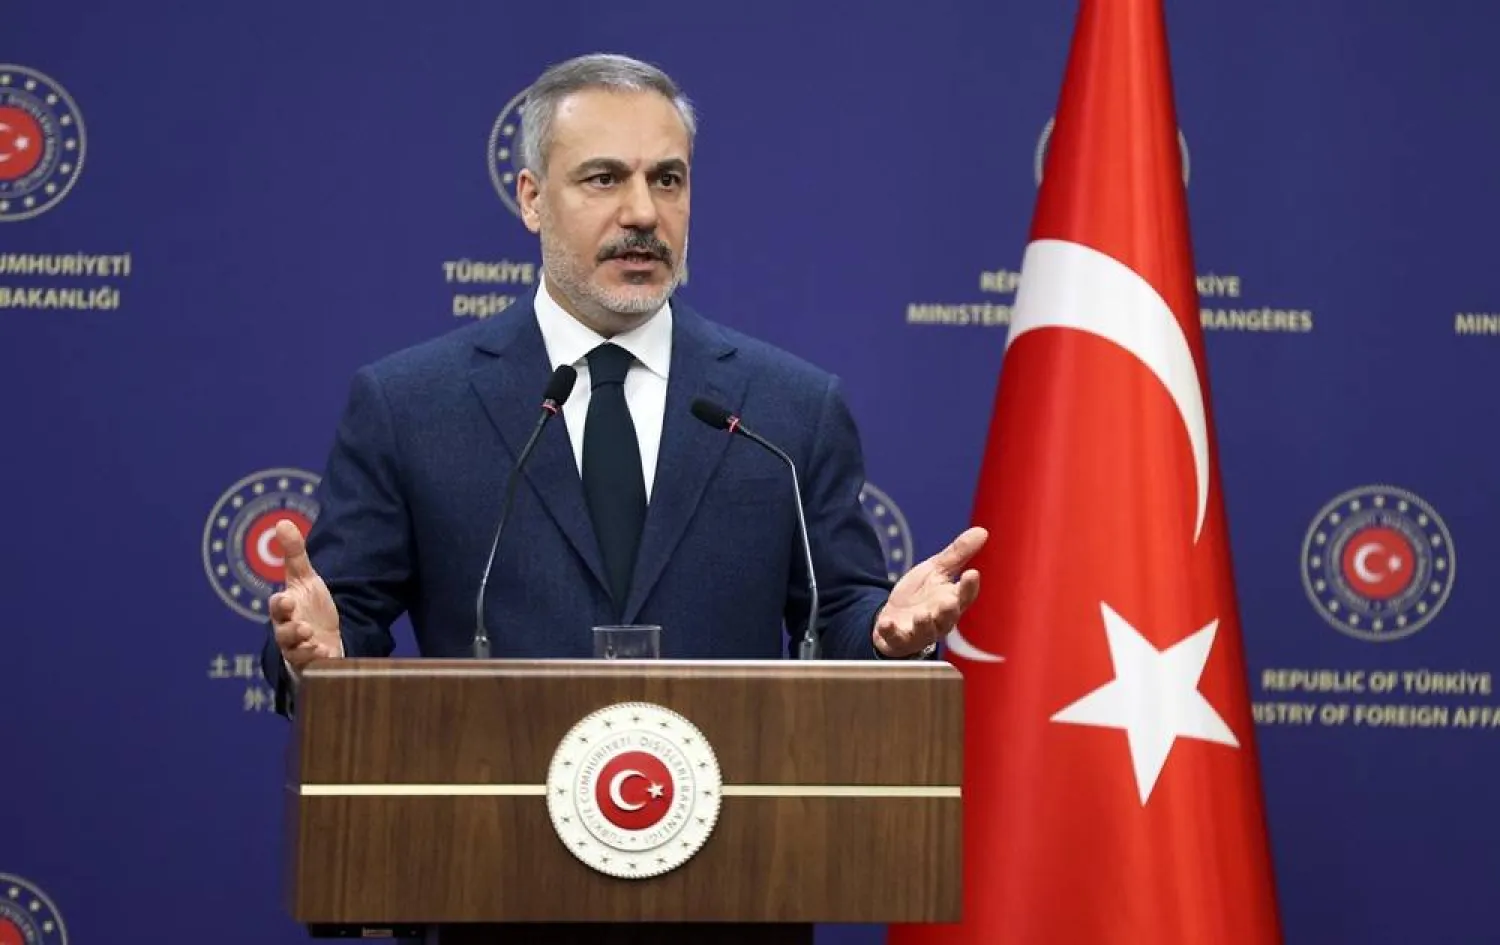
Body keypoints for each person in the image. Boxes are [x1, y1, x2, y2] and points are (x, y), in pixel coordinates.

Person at [260, 53, 986, 715]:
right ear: (532, 199)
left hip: (735, 835)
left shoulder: (790, 409)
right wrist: (322, 654)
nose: (642, 212)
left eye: (666, 179)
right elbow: (340, 620)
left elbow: (840, 619)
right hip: (490, 832)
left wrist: (890, 636)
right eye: (604, 178)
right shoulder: (411, 406)